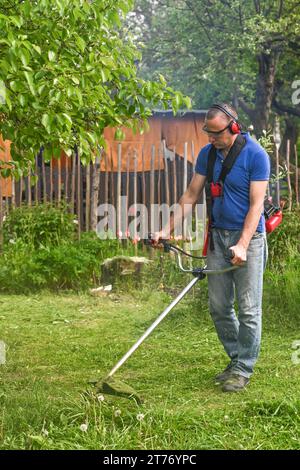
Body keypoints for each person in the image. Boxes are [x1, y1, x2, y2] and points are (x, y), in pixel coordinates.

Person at [154, 103, 270, 392]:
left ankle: (244, 369)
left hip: (249, 241)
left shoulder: (256, 156)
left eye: (216, 133)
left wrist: (242, 245)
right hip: (218, 238)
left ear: (233, 128)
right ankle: (236, 359)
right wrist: (165, 231)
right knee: (219, 307)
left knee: (248, 310)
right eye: (208, 133)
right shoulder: (207, 154)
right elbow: (191, 195)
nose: (210, 139)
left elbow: (256, 206)